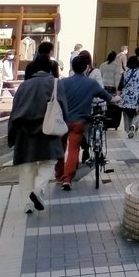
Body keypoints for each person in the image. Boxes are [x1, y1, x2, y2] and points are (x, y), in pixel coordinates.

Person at [7, 58, 64, 215]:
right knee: (49, 162)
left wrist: (11, 135)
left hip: (24, 131)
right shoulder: (55, 83)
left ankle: (27, 204)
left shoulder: (24, 85)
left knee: (27, 167)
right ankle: (38, 189)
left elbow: (14, 111)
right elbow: (63, 107)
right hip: (48, 130)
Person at [54, 54, 113, 190]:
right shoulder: (91, 83)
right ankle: (67, 179)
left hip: (62, 121)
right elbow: (106, 96)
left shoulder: (63, 82)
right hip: (79, 122)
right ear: (86, 67)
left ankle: (58, 175)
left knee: (60, 148)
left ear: (72, 67)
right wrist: (115, 99)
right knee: (73, 149)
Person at [120, 55, 139, 137]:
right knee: (138, 113)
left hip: (126, 98)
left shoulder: (124, 73)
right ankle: (134, 125)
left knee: (127, 114)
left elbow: (120, 86)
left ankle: (128, 129)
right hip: (137, 98)